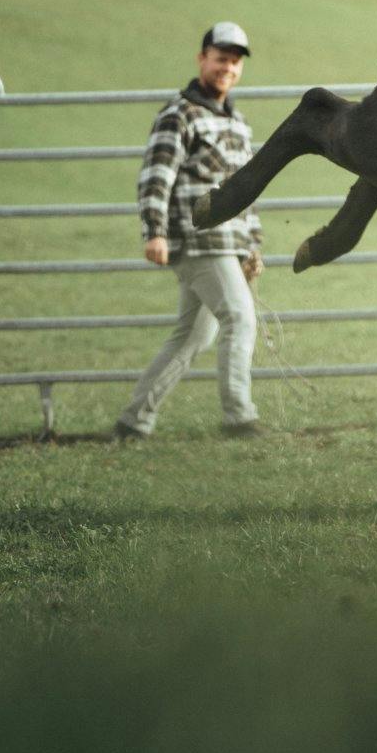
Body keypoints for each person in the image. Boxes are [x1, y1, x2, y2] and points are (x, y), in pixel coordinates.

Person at [115, 22, 266, 440]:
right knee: (239, 318)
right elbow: (155, 177)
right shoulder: (178, 115)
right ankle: (239, 418)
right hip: (199, 240)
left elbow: (245, 189)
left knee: (191, 336)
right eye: (220, 58)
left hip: (228, 243)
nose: (227, 68)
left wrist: (252, 244)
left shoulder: (237, 122)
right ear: (203, 58)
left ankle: (133, 421)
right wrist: (154, 231)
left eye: (234, 62)